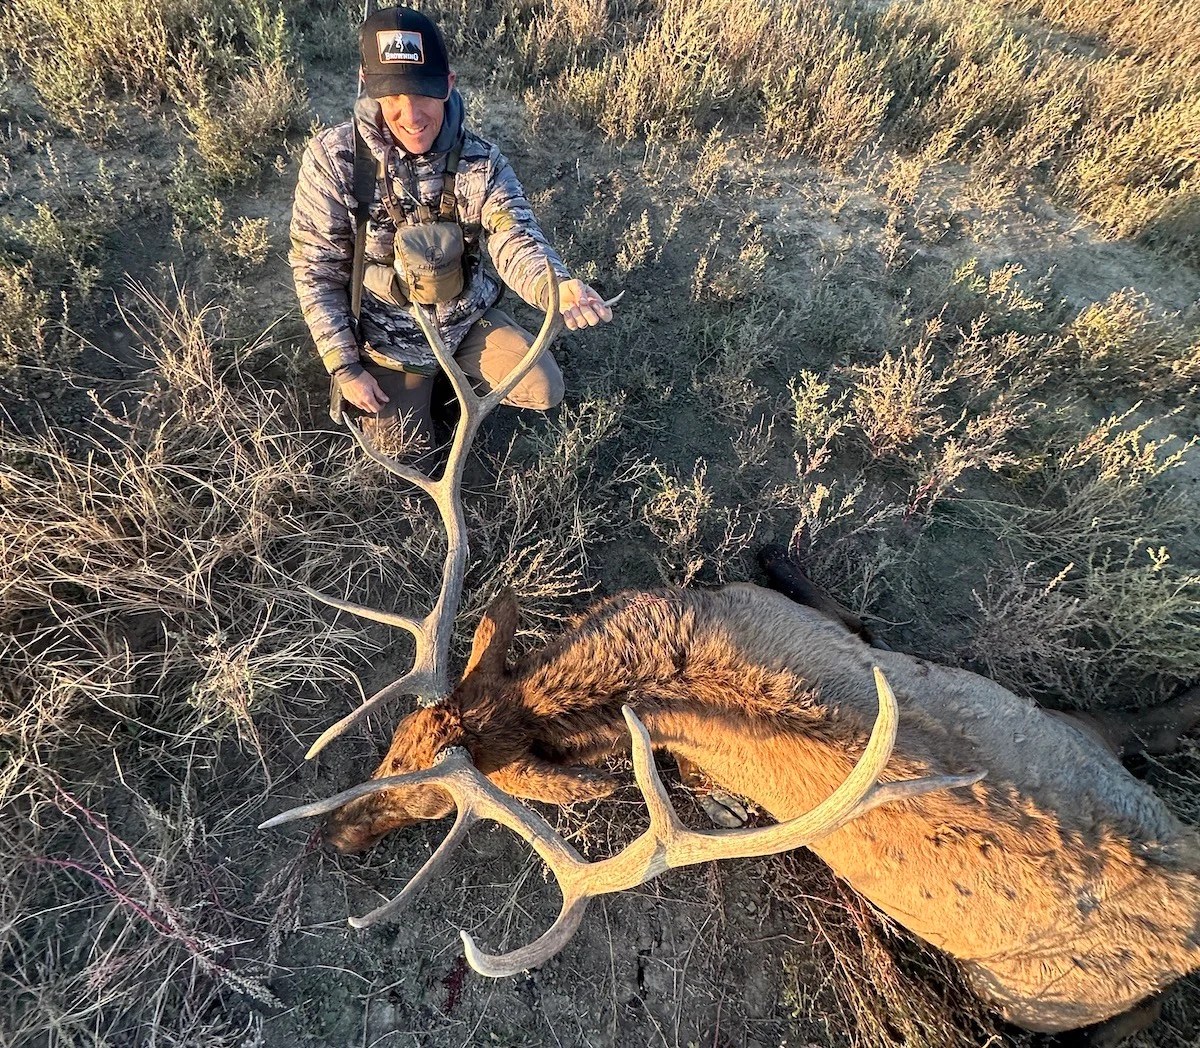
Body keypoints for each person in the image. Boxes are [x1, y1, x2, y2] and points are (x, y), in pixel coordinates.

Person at [289, 5, 612, 457]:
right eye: (393, 97)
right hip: (387, 341)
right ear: (369, 88)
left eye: (423, 94)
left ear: (448, 85)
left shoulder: (483, 161)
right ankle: (422, 389)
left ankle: (447, 381)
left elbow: (514, 237)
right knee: (405, 454)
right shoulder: (333, 159)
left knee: (543, 387)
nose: (411, 115)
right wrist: (345, 366)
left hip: (464, 322)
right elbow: (315, 271)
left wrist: (555, 287)